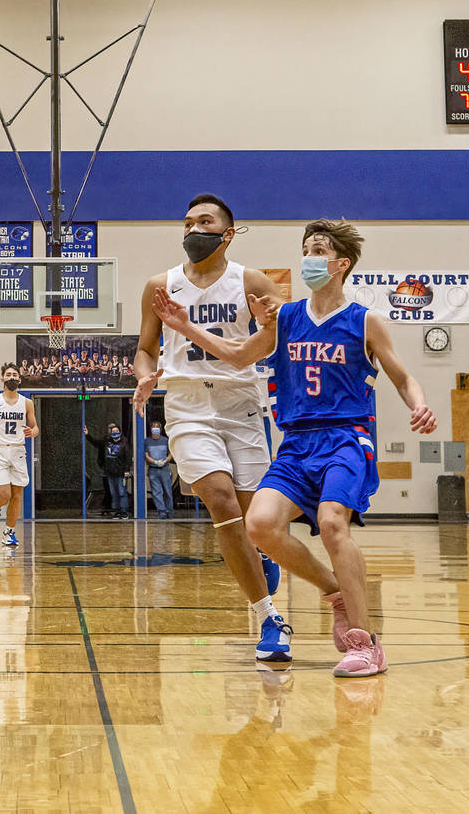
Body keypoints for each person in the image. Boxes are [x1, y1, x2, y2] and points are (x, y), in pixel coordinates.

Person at [156, 218, 439, 679]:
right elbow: (238, 356)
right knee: (260, 526)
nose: (308, 256)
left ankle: (366, 643)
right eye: (305, 248)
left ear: (340, 263)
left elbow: (402, 376)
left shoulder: (364, 320)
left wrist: (420, 404)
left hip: (347, 436)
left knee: (331, 524)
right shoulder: (284, 317)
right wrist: (185, 326)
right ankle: (335, 593)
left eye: (318, 249)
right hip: (296, 442)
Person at [131, 193, 292, 662]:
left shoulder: (253, 281)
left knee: (257, 520)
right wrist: (145, 376)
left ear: (227, 234)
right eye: (186, 222)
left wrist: (267, 329)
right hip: (186, 405)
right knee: (221, 503)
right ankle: (269, 617)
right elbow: (145, 348)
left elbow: (274, 341)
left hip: (241, 404)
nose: (191, 230)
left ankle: (262, 555)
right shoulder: (160, 285)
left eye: (204, 222)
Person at [0, 363, 37, 549]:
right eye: (8, 374)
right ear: (2, 379)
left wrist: (33, 431)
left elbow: (35, 427)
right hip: (0, 450)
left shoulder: (27, 403)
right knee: (4, 494)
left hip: (19, 450)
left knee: (17, 495)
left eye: (15, 374)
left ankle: (9, 533)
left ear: (20, 379)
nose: (12, 377)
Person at [99, 420, 130, 518]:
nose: (115, 433)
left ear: (120, 432)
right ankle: (117, 511)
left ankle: (124, 512)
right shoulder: (107, 443)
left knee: (122, 492)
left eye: (116, 431)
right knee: (114, 493)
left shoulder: (124, 444)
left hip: (121, 473)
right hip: (110, 473)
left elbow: (128, 458)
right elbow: (96, 442)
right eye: (113, 431)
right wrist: (87, 435)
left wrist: (127, 470)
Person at [143, 422, 174, 517]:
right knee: (157, 492)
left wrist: (165, 461)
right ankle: (162, 512)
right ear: (151, 428)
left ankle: (169, 511)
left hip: (165, 469)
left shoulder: (166, 440)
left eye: (157, 427)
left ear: (160, 429)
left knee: (168, 491)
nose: (155, 428)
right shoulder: (147, 441)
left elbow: (171, 453)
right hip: (153, 469)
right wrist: (154, 462)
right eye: (153, 427)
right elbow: (146, 455)